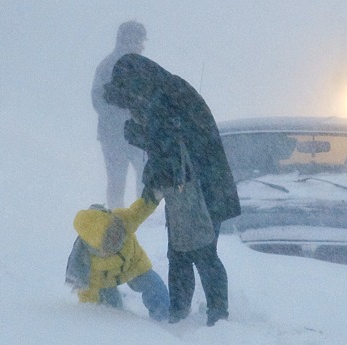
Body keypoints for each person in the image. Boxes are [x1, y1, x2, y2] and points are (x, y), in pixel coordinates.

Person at [103, 53, 241, 326]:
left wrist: (142, 139)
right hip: (190, 189)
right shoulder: (164, 90)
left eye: (129, 98)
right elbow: (170, 144)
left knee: (201, 253)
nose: (130, 108)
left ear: (135, 83)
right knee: (180, 253)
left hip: (201, 189)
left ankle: (217, 319)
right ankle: (179, 315)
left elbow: (170, 147)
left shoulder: (165, 96)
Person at [65, 192, 169, 322]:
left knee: (156, 289)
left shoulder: (122, 220)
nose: (116, 241)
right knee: (112, 312)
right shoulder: (85, 258)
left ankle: (164, 322)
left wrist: (153, 196)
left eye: (115, 233)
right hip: (106, 283)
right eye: (108, 242)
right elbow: (87, 292)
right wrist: (89, 311)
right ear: (96, 247)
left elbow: (140, 210)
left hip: (135, 265)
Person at [92, 21, 147, 208]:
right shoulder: (108, 66)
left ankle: (133, 218)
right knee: (122, 180)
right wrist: (121, 111)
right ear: (128, 39)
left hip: (133, 134)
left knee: (140, 178)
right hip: (117, 136)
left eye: (141, 40)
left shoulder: (142, 67)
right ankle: (124, 218)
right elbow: (98, 99)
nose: (141, 45)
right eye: (138, 40)